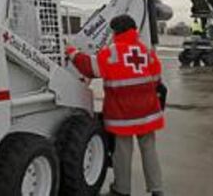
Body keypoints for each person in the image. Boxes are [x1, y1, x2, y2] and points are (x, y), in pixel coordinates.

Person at [67, 14, 165, 196]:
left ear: (115, 31)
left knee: (123, 152)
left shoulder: (112, 52)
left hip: (123, 114)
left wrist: (72, 52)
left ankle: (122, 189)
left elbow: (90, 68)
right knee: (149, 149)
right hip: (148, 112)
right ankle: (157, 189)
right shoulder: (146, 52)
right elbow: (157, 79)